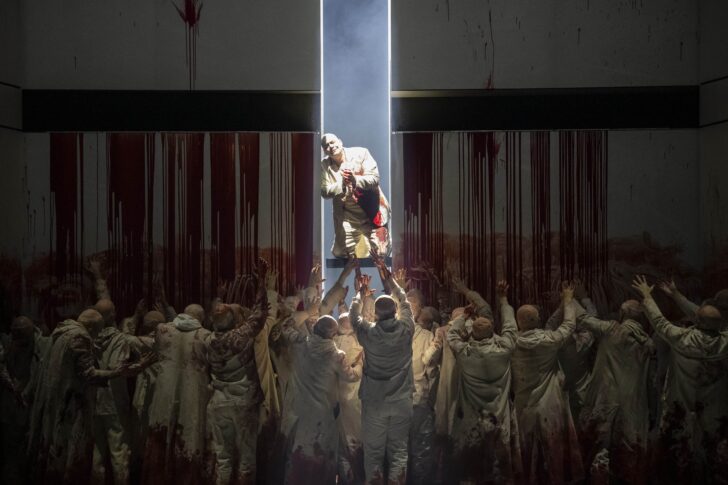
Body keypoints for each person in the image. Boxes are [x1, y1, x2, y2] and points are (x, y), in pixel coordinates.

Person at [30, 309, 149, 484]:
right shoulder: (80, 337)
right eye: (97, 330)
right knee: (90, 452)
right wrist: (118, 372)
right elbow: (88, 374)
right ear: (92, 327)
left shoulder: (61, 332)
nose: (97, 335)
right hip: (75, 404)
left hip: (65, 401)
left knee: (92, 453)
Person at [633, 275, 728, 483]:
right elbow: (704, 317)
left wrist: (648, 296)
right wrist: (676, 295)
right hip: (714, 413)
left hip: (681, 408)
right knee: (713, 457)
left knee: (678, 455)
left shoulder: (682, 338)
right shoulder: (725, 343)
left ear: (697, 322)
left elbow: (659, 321)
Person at [447, 281, 523, 484]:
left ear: (472, 333)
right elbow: (510, 326)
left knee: (472, 465)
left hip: (472, 419)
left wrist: (463, 317)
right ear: (493, 333)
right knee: (498, 464)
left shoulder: (464, 353)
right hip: (498, 417)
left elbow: (452, 335)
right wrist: (503, 300)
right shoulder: (504, 349)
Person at [349, 250, 415, 484]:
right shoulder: (407, 329)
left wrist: (360, 294)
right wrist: (388, 277)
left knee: (374, 454)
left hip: (374, 402)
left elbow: (354, 317)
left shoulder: (368, 333)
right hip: (402, 401)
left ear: (375, 315)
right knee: (399, 452)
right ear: (395, 312)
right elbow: (404, 299)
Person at [205, 267, 275, 485]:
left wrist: (219, 298)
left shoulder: (206, 339)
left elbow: (215, 315)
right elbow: (259, 315)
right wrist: (262, 282)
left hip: (218, 402)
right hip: (243, 402)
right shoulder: (239, 337)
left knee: (223, 459)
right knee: (246, 458)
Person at [511, 282, 584, 484]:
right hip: (550, 403)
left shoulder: (510, 343)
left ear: (518, 322)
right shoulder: (549, 341)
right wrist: (567, 301)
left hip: (524, 404)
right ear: (537, 320)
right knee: (553, 448)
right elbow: (568, 325)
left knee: (526, 451)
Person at [575, 298, 655, 484]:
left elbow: (583, 318)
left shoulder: (612, 329)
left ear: (622, 313)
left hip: (605, 398)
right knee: (627, 449)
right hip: (633, 402)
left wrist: (574, 298)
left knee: (597, 445)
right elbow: (650, 380)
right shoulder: (648, 343)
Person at [282, 312, 361, 484]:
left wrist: (306, 311)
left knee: (298, 455)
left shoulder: (300, 342)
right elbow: (351, 376)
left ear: (315, 327)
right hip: (323, 417)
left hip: (299, 412)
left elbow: (285, 327)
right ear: (333, 334)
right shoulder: (337, 355)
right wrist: (360, 364)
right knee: (320, 457)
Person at [320, 133, 391, 258]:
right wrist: (341, 185)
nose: (330, 146)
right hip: (348, 217)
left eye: (332, 142)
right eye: (326, 146)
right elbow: (324, 191)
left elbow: (374, 179)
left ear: (340, 142)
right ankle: (362, 245)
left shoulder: (361, 153)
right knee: (339, 252)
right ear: (324, 151)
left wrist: (355, 180)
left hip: (372, 212)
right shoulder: (324, 165)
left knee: (381, 253)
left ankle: (374, 241)